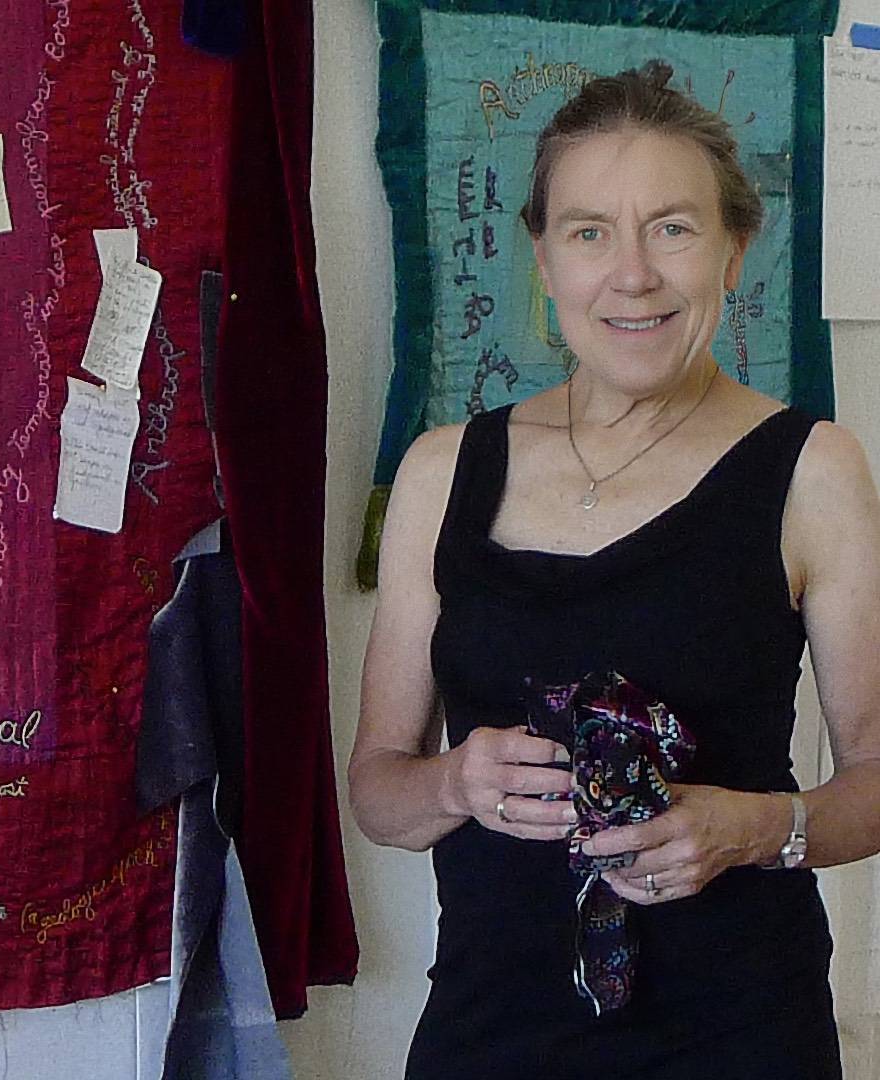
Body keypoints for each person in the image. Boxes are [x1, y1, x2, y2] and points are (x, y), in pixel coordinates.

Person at [349, 61, 880, 1079]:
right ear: (543, 259)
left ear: (735, 250)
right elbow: (379, 791)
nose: (631, 273)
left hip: (738, 1035)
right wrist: (458, 780)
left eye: (673, 228)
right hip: (488, 1029)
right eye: (589, 231)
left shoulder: (813, 468)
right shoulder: (442, 471)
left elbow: (875, 776)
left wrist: (761, 828)